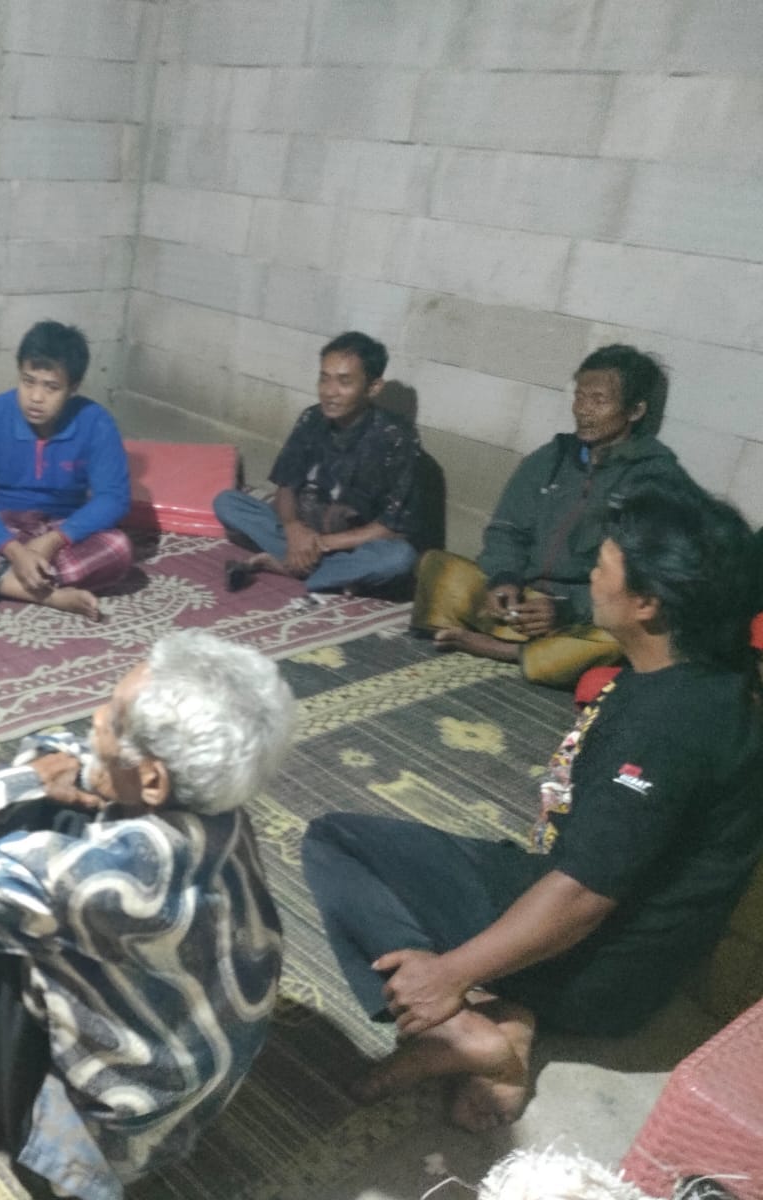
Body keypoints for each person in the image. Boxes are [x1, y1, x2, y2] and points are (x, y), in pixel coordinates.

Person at [303, 486, 763, 1134]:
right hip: (610, 945)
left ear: (648, 603)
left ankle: (463, 1028)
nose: (591, 576)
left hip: (598, 971)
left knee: (336, 841)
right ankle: (512, 1015)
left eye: (603, 565)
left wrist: (451, 975)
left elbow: (582, 896)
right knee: (453, 863)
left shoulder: (672, 726)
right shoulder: (699, 674)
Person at [0, 631, 294, 1199]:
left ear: (153, 781)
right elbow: (61, 748)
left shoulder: (95, 877)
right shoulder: (224, 812)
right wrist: (71, 765)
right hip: (188, 1088)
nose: (94, 717)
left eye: (112, 718)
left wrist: (21, 781)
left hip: (106, 1140)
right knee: (38, 830)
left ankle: (2, 1090)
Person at [413, 344, 695, 689]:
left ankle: (509, 651)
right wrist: (504, 580)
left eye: (599, 400)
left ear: (635, 410)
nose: (583, 410)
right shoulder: (550, 458)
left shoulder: (656, 477)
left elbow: (645, 577)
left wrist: (566, 608)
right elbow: (505, 530)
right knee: (436, 566)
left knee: (625, 634)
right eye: (580, 397)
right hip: (525, 601)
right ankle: (528, 645)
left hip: (583, 615)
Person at [0, 321, 132, 621]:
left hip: (59, 532)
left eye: (51, 387)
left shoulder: (96, 423)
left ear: (73, 388)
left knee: (118, 548)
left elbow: (113, 498)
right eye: (28, 381)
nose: (36, 397)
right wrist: (14, 551)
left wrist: (53, 540)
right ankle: (52, 595)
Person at [214, 330, 420, 595]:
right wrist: (293, 529)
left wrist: (320, 544)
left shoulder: (397, 437)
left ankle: (291, 565)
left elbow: (392, 528)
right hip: (302, 532)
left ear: (373, 388)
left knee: (400, 558)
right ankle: (328, 573)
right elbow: (286, 486)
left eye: (344, 382)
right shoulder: (311, 418)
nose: (329, 392)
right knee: (227, 503)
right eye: (324, 379)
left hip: (351, 544)